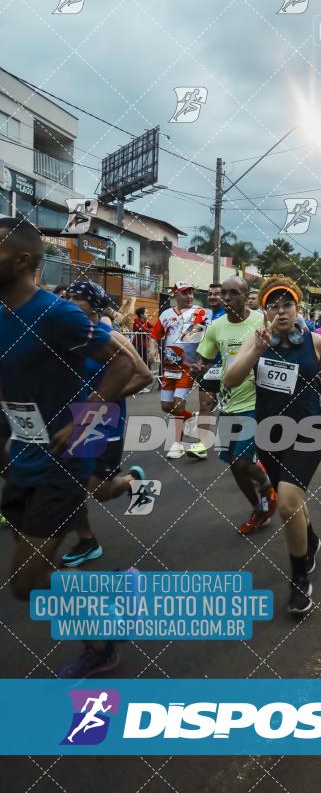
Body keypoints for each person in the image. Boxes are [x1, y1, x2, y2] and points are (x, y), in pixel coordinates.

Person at [0, 217, 135, 678]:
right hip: (21, 461)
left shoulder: (56, 314)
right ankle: (112, 604)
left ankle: (104, 636)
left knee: (26, 583)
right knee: (39, 579)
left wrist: (89, 415)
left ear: (21, 261)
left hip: (63, 463)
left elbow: (122, 364)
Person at [225, 276, 321, 614]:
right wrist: (257, 351)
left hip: (307, 429)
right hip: (269, 431)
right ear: (264, 312)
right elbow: (231, 379)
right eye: (272, 305)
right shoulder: (257, 340)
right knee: (294, 500)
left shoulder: (315, 341)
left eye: (286, 304)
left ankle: (299, 579)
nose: (280, 310)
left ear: (297, 307)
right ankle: (311, 539)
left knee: (288, 503)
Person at [59, 281, 152, 568]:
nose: (69, 301)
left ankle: (133, 482)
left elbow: (144, 376)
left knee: (100, 492)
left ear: (94, 306)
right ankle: (87, 541)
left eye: (76, 298)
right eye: (67, 297)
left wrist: (102, 401)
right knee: (70, 482)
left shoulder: (110, 336)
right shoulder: (64, 334)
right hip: (69, 420)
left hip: (104, 421)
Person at [192, 276, 277, 534]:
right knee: (233, 465)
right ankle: (260, 508)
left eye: (233, 293)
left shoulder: (262, 320)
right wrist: (199, 370)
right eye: (223, 293)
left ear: (246, 295)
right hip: (229, 403)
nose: (227, 298)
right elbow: (203, 358)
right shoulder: (216, 327)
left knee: (241, 462)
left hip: (256, 402)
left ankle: (268, 488)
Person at [149, 282, 208, 460]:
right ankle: (191, 418)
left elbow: (197, 337)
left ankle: (178, 444)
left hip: (187, 368)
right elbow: (154, 336)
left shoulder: (200, 312)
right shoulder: (166, 314)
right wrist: (152, 349)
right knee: (166, 407)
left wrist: (198, 359)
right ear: (176, 295)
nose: (189, 296)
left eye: (191, 293)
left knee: (177, 404)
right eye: (185, 293)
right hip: (169, 368)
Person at [186, 283, 226, 461]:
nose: (212, 297)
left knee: (233, 409)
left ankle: (245, 447)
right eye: (210, 294)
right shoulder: (203, 315)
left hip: (229, 368)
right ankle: (202, 444)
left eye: (216, 294)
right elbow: (189, 338)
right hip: (207, 368)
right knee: (205, 405)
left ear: (224, 296)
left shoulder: (230, 315)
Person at [132, 306, 154, 371]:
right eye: (146, 313)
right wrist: (149, 330)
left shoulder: (146, 322)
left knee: (147, 364)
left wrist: (149, 329)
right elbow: (144, 330)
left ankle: (148, 378)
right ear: (141, 315)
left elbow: (154, 328)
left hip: (145, 346)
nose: (148, 314)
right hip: (137, 345)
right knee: (139, 363)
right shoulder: (136, 321)